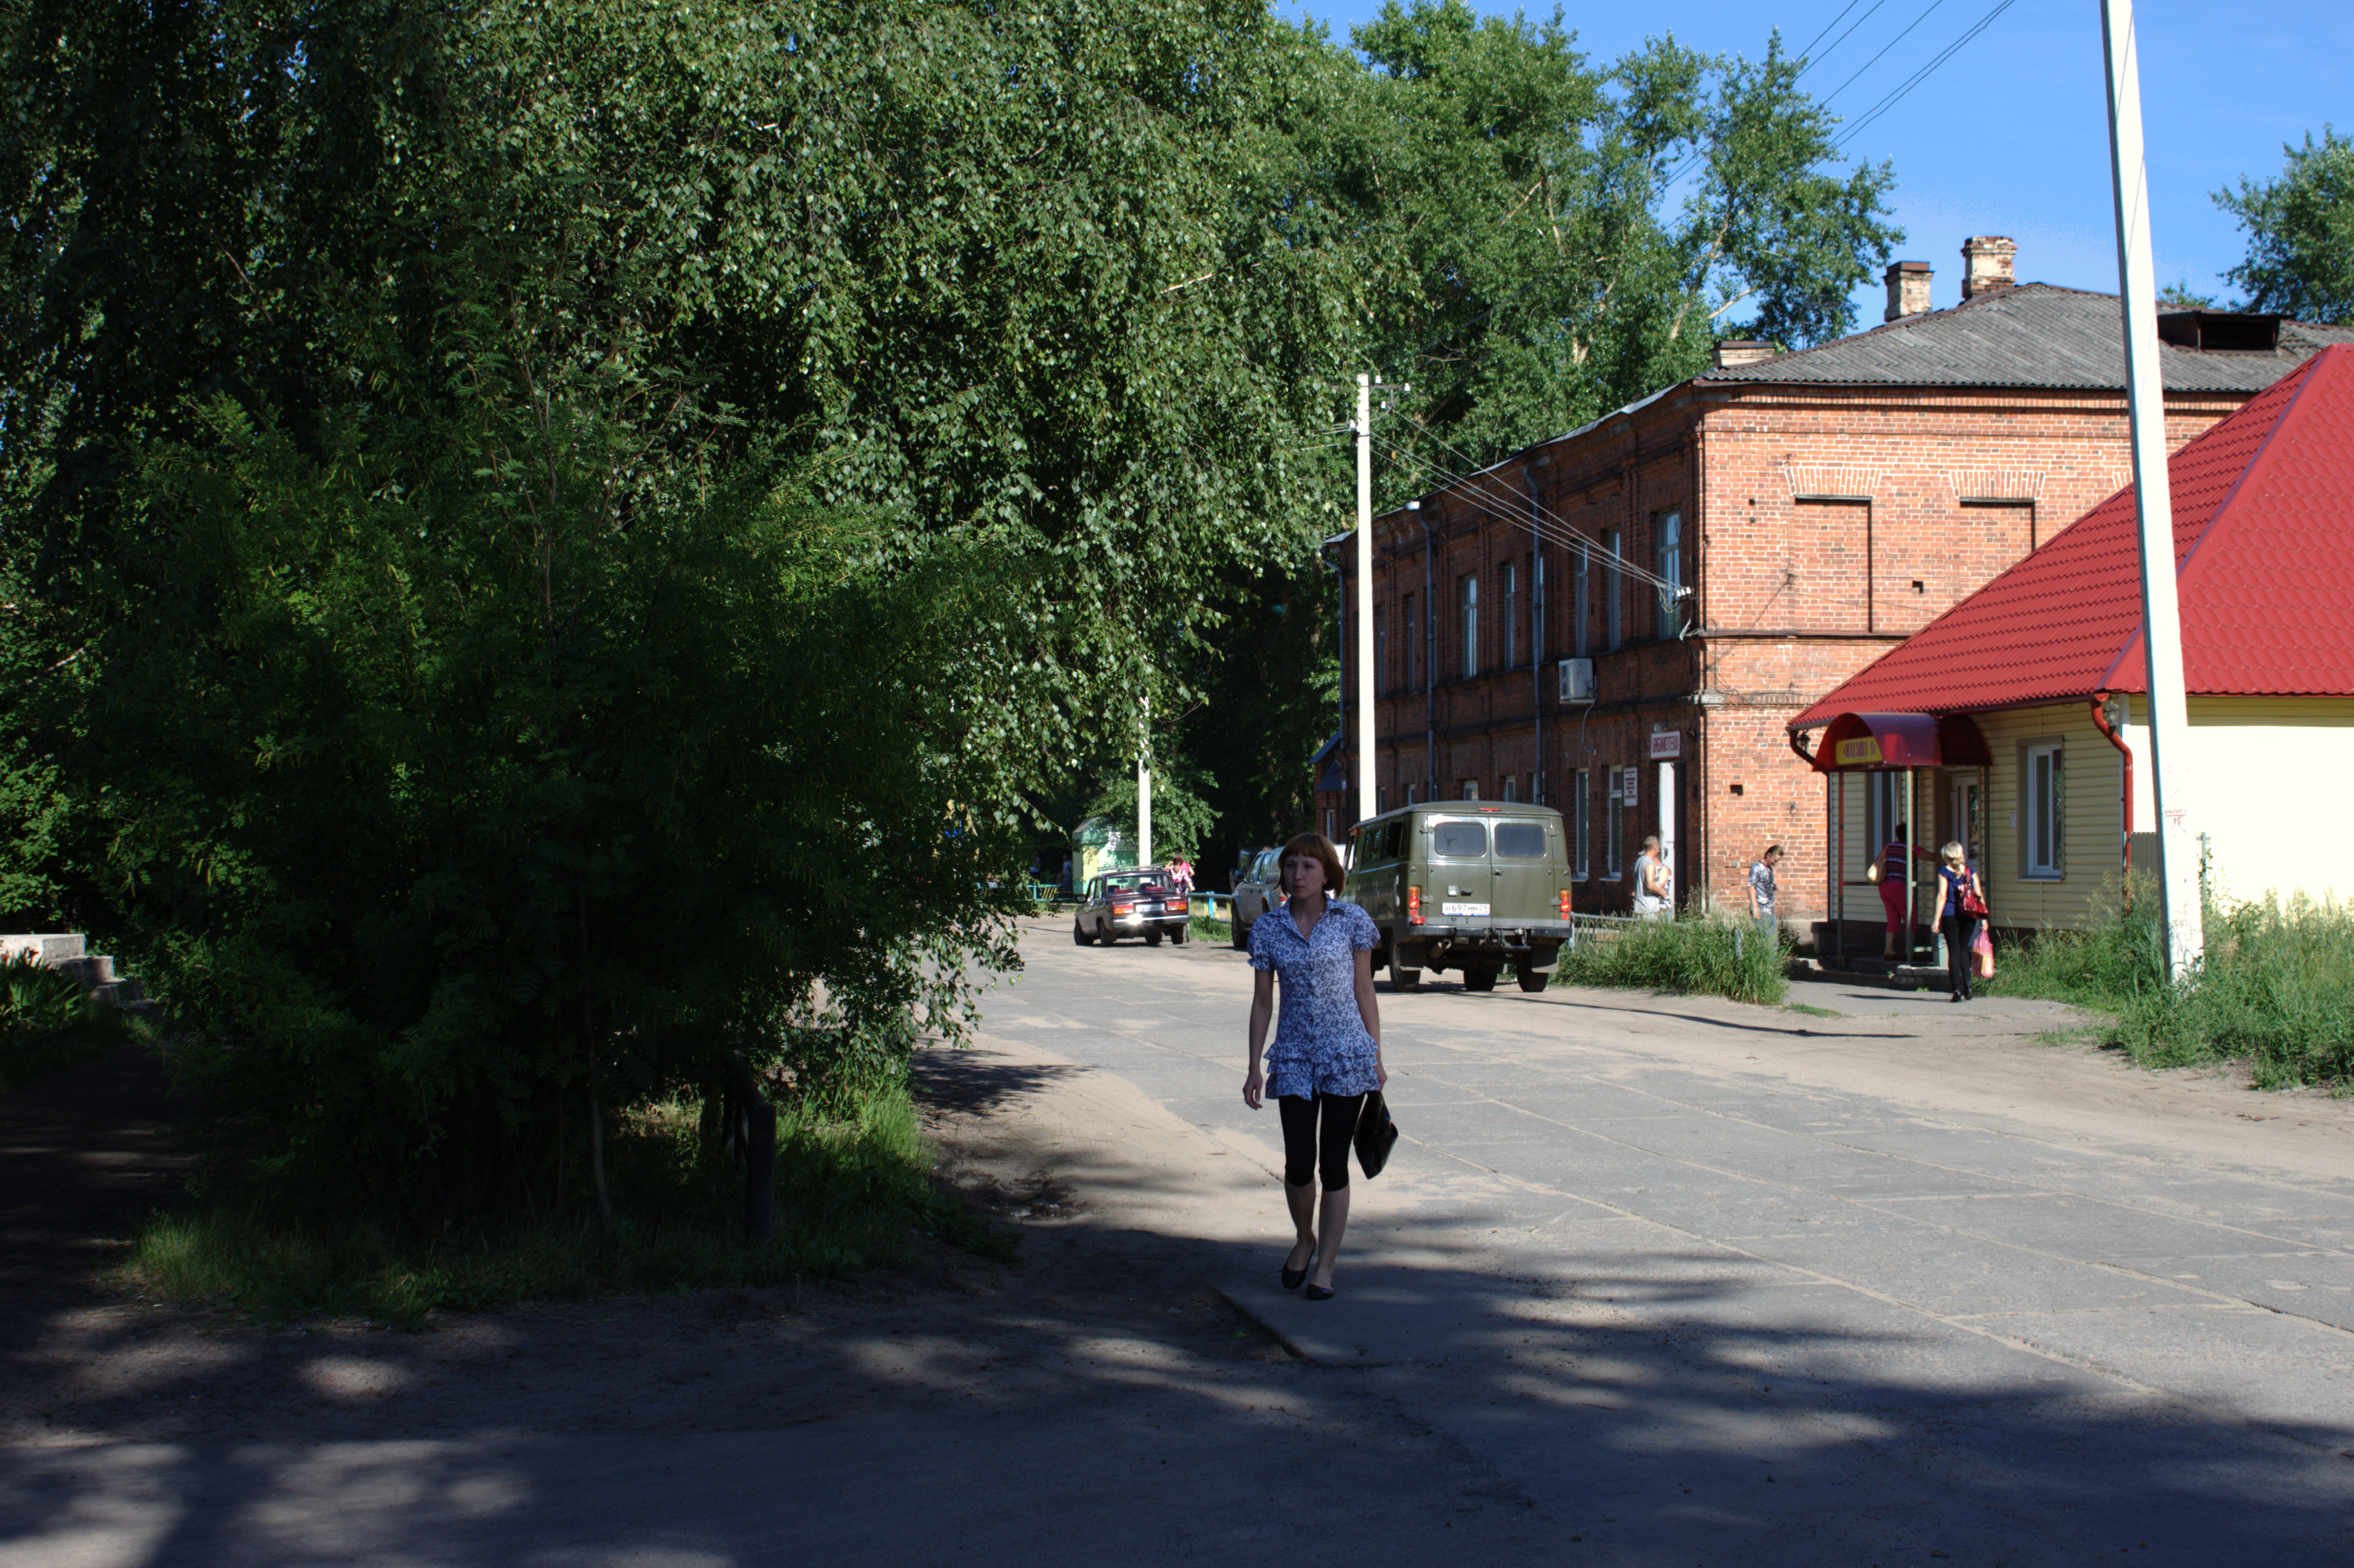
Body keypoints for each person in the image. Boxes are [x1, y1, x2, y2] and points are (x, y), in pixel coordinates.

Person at [1242, 831, 1386, 1302]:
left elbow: (1365, 990)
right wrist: (1253, 1067)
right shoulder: (1268, 929)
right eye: (1291, 866)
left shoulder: (1351, 921)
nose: (1298, 874)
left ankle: (1326, 1265)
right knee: (1299, 1163)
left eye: (1308, 866)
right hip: (1296, 1057)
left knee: (1334, 1164)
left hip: (1346, 1055)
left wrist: (1376, 1056)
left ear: (1328, 874)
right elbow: (1263, 1002)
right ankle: (1304, 1238)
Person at [1871, 822, 1936, 959]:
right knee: (1910, 919)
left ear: (1897, 835)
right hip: (1900, 887)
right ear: (1910, 835)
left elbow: (1877, 862)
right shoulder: (1913, 849)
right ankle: (1909, 950)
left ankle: (1888, 949)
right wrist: (1947, 857)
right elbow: (1931, 857)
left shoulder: (1888, 847)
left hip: (1884, 887)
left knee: (1892, 920)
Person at [1934, 841, 1986, 1002]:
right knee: (1964, 950)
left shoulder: (1944, 872)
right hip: (1969, 916)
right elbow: (1979, 895)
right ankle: (1968, 986)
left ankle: (1956, 990)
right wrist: (1984, 919)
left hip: (1950, 916)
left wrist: (1936, 920)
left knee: (1954, 952)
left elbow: (1942, 896)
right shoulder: (1971, 872)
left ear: (1946, 857)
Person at [1747, 845, 1784, 948]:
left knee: (1773, 943)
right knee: (1765, 942)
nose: (1776, 864)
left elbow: (1765, 886)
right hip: (1761, 910)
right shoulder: (1757, 867)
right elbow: (1751, 887)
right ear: (1769, 855)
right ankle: (1763, 964)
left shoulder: (1768, 869)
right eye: (1775, 861)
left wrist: (1775, 887)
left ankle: (1771, 965)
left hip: (1770, 910)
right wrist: (1755, 908)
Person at [1632, 835, 1672, 919]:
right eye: (1658, 848)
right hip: (1648, 907)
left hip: (1639, 906)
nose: (1659, 850)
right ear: (1655, 848)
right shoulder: (1649, 864)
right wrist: (1662, 893)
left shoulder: (1639, 861)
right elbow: (1650, 886)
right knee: (1651, 932)